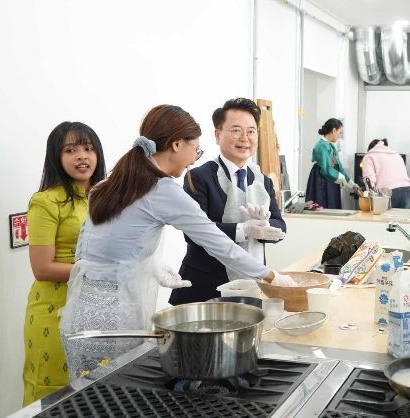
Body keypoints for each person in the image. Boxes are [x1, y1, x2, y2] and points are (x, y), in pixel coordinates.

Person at [60, 105, 296, 379]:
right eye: (195, 149)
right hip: (115, 318)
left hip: (80, 313)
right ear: (176, 144)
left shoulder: (110, 183)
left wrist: (149, 265)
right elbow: (218, 244)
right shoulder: (163, 189)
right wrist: (272, 276)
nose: (193, 160)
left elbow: (86, 250)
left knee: (88, 392)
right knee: (116, 387)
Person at [169, 98, 286, 305]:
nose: (245, 138)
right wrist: (244, 229)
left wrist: (265, 226)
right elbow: (194, 234)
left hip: (251, 286)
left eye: (251, 131)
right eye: (236, 130)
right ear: (217, 135)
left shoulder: (262, 180)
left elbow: (280, 224)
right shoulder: (199, 177)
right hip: (204, 288)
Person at [22, 122, 106, 404]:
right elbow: (42, 268)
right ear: (56, 157)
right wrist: (100, 271)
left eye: (88, 149)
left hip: (98, 306)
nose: (82, 156)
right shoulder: (46, 202)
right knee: (55, 394)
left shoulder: (106, 197)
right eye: (70, 150)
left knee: (99, 390)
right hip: (54, 309)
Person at [305, 118, 353, 209]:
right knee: (323, 207)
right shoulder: (321, 146)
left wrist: (350, 182)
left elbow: (338, 166)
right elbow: (326, 169)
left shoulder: (330, 146)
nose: (339, 135)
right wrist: (341, 178)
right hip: (321, 180)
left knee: (332, 205)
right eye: (339, 132)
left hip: (330, 178)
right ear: (334, 130)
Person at [361, 138, 410, 208]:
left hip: (387, 192)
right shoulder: (396, 154)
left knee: (382, 215)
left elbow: (369, 179)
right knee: (402, 215)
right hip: (406, 190)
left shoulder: (369, 156)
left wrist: (371, 196)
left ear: (370, 149)